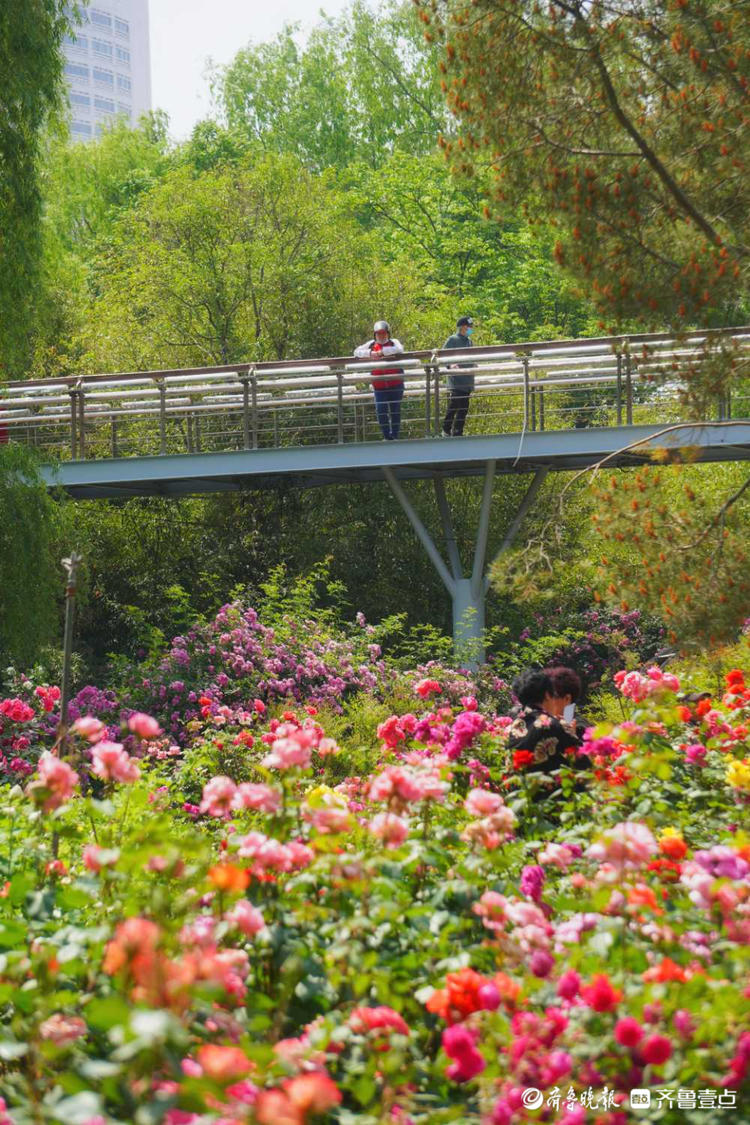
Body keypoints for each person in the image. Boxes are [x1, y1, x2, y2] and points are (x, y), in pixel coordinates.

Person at [506, 666, 589, 778]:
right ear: (547, 694)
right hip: (549, 793)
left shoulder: (514, 726)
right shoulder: (551, 724)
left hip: (520, 792)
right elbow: (584, 766)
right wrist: (572, 735)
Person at [354, 320, 405, 441]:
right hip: (379, 385)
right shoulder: (371, 344)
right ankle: (387, 437)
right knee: (381, 411)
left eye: (384, 333)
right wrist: (371, 353)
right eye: (378, 334)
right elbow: (356, 352)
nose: (381, 336)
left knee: (395, 410)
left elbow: (399, 349)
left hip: (396, 383)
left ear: (388, 334)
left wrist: (382, 352)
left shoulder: (394, 342)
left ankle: (395, 436)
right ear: (375, 335)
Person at [441, 315, 475, 437]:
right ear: (462, 327)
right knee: (454, 404)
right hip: (456, 380)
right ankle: (446, 429)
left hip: (467, 380)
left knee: (464, 407)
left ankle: (458, 432)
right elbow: (443, 356)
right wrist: (450, 365)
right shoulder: (452, 339)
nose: (471, 329)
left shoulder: (469, 341)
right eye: (469, 327)